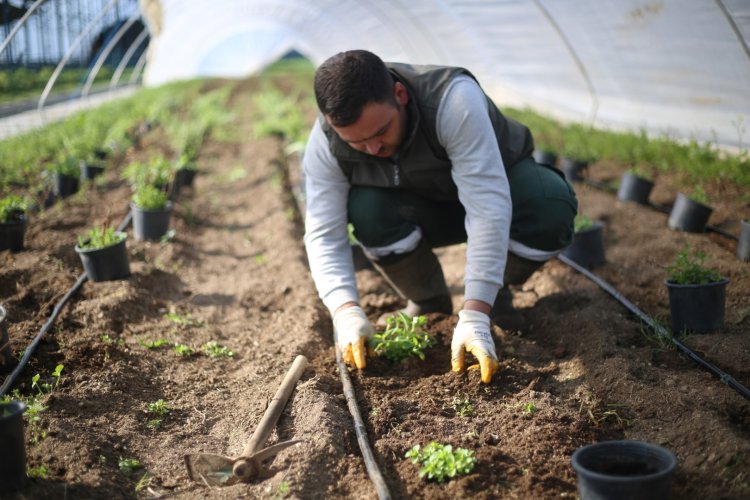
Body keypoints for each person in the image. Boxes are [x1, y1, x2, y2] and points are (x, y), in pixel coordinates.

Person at [303, 50, 577, 384]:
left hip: (501, 193)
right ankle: (428, 303)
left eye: (381, 132)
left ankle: (496, 294)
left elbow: (487, 205)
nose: (373, 149)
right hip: (422, 207)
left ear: (399, 95)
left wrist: (476, 311)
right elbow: (323, 233)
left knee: (549, 205)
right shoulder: (325, 144)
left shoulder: (453, 100)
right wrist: (345, 312)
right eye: (357, 142)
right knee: (368, 209)